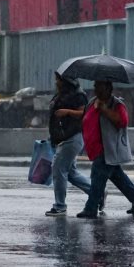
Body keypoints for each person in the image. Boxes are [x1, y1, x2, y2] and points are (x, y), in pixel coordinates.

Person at [77, 81, 134, 219]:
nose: (96, 88)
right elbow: (85, 116)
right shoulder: (92, 101)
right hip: (96, 149)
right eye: (95, 85)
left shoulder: (117, 104)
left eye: (99, 85)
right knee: (118, 177)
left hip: (107, 149)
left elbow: (122, 121)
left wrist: (104, 109)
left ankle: (91, 208)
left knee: (97, 179)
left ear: (108, 88)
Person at [45, 73, 98, 216]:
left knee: (58, 169)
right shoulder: (60, 95)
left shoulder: (78, 95)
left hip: (72, 137)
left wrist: (67, 112)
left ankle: (60, 206)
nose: (56, 82)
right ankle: (97, 193)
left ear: (66, 81)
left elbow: (84, 113)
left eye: (58, 79)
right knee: (71, 173)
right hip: (62, 138)